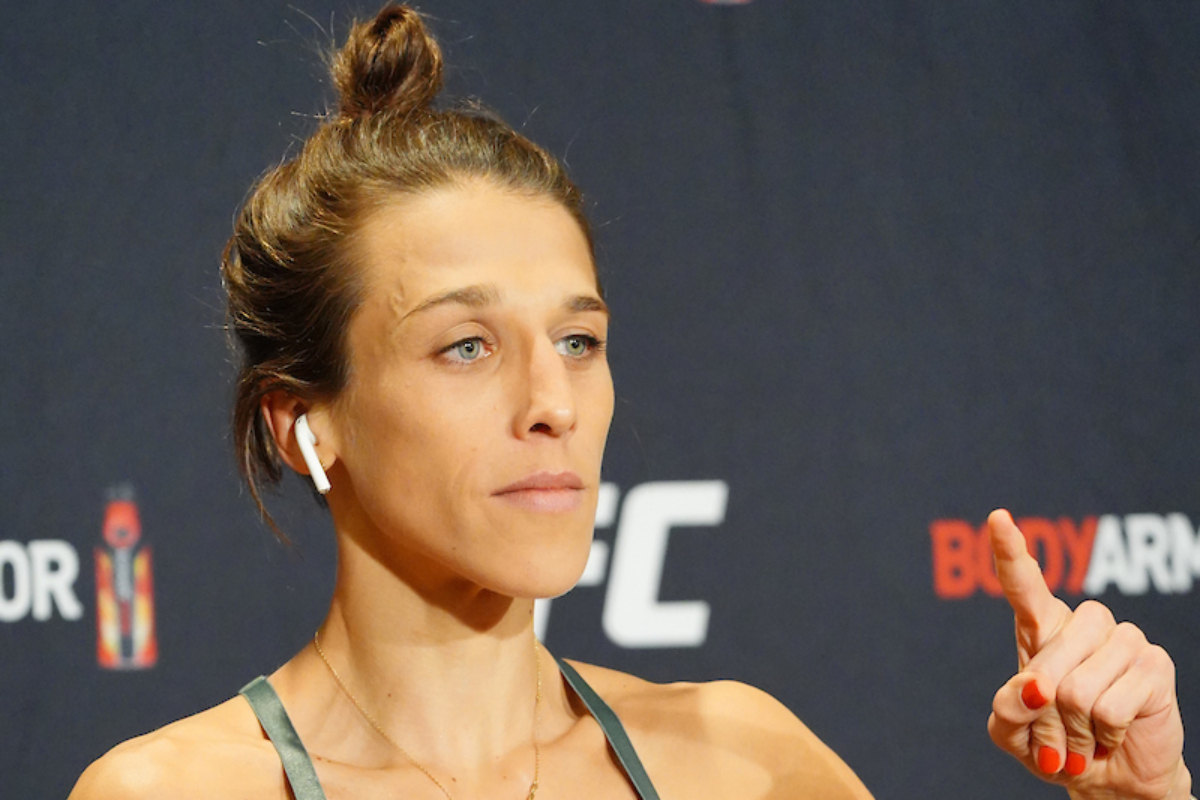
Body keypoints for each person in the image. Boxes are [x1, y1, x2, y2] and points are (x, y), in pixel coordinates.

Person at [69, 5, 1190, 799]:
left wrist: (1140, 799)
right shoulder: (172, 791)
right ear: (304, 420)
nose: (552, 401)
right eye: (467, 346)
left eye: (579, 340)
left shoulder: (743, 765)